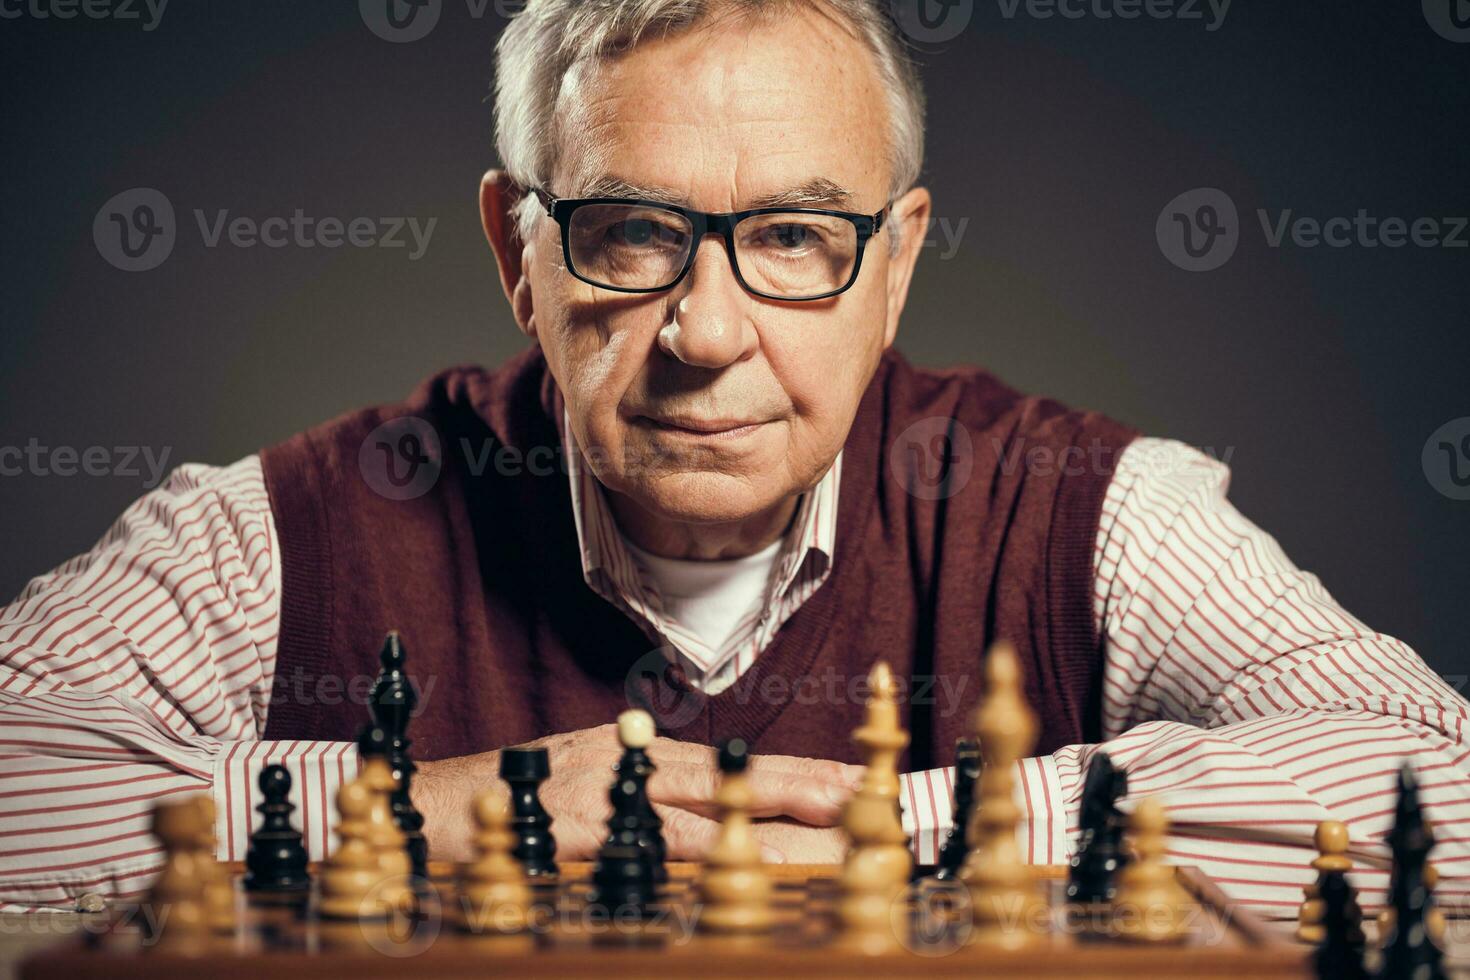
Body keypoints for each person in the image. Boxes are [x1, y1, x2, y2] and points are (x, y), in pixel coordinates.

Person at [1, 0, 1466, 918]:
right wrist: (419, 809)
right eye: (632, 233)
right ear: (521, 254)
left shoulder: (1088, 516)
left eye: (791, 239)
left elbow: (1445, 784)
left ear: (893, 265)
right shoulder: (285, 530)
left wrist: (925, 830)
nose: (706, 331)